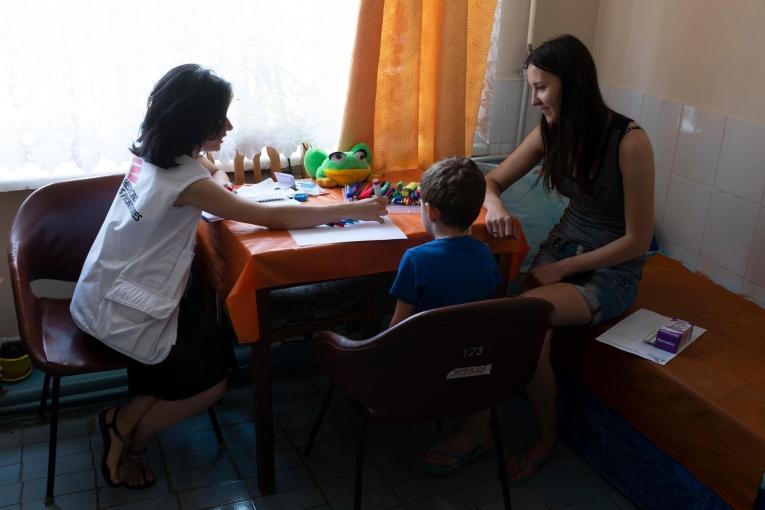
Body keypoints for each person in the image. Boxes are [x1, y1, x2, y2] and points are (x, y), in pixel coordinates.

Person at [70, 64, 388, 489]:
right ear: (193, 120)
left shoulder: (154, 152)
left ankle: (120, 420)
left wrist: (215, 174)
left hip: (104, 291)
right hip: (124, 310)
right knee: (212, 386)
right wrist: (356, 209)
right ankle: (126, 433)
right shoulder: (186, 179)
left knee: (208, 343)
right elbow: (269, 215)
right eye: (220, 117)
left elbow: (210, 178)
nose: (230, 126)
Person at [432, 34, 654, 483]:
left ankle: (541, 437)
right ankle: (479, 426)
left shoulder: (629, 142)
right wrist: (495, 206)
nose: (534, 100)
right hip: (561, 249)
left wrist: (561, 268)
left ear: (573, 83)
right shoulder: (550, 132)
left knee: (530, 321)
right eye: (531, 88)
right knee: (492, 315)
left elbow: (638, 240)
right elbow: (491, 182)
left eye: (541, 88)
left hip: (610, 271)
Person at [388, 156, 503, 474]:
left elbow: (395, 331)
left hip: (427, 371)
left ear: (431, 211)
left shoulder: (415, 259)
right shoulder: (486, 256)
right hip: (475, 364)